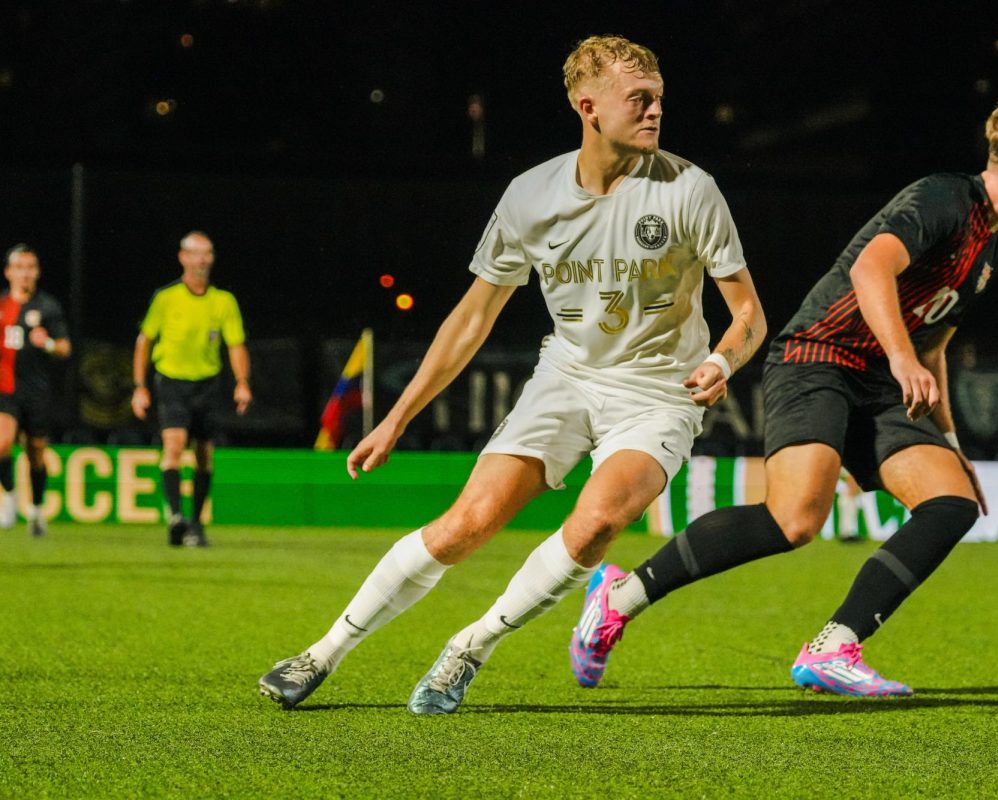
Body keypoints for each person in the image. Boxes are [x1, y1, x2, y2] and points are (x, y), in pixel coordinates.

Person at [258, 35, 766, 713]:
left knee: (595, 527)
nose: (654, 113)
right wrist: (396, 417)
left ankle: (472, 645)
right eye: (638, 100)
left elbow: (750, 315)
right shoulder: (531, 197)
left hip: (657, 395)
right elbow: (470, 320)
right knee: (462, 527)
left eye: (659, 101)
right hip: (566, 378)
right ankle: (322, 653)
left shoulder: (690, 189)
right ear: (588, 107)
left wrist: (721, 358)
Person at [570, 94, 998, 697]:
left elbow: (932, 350)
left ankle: (835, 646)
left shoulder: (992, 251)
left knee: (952, 502)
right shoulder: (945, 197)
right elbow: (872, 270)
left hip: (880, 382)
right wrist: (898, 357)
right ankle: (619, 597)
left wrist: (951, 444)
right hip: (817, 355)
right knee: (794, 521)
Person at [131, 231, 252, 547]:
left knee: (203, 455)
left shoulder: (223, 301)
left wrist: (242, 383)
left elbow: (236, 345)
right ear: (182, 258)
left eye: (207, 253)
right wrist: (140, 387)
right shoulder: (166, 298)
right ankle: (175, 517)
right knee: (174, 445)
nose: (201, 260)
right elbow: (144, 341)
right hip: (171, 381)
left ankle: (196, 524)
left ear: (212, 258)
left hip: (208, 384)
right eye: (195, 253)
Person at [0, 244, 72, 537]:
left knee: (36, 453)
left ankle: (37, 509)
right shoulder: (2, 306)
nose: (25, 273)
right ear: (8, 272)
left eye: (30, 267)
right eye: (19, 267)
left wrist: (49, 344)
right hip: (5, 390)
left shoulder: (48, 307)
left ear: (37, 272)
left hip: (37, 392)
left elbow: (66, 348)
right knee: (2, 443)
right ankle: (9, 496)